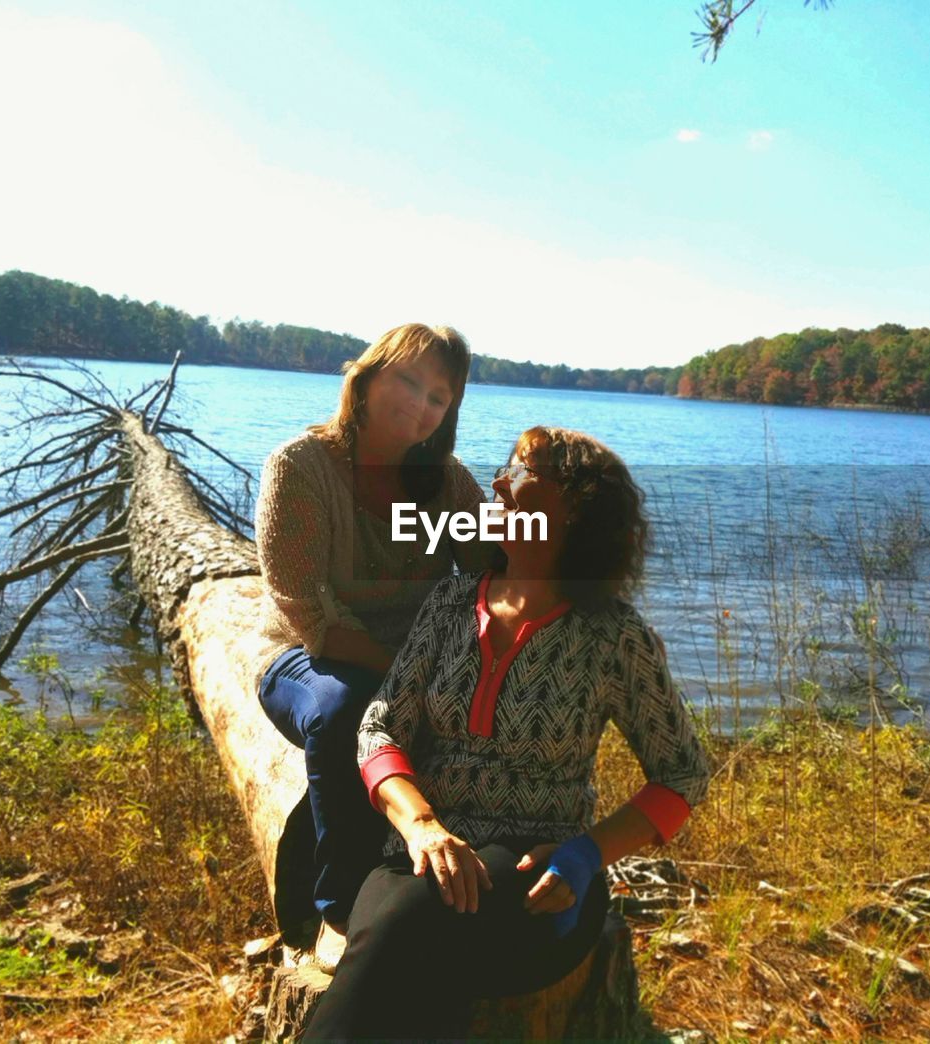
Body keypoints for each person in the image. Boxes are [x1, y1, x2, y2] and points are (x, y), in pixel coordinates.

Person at [301, 426, 712, 1041]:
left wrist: (585, 854)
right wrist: (421, 826)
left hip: (537, 876)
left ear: (574, 512)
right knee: (398, 929)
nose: (498, 484)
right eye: (505, 469)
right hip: (423, 852)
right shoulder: (451, 601)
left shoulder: (612, 635)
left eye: (522, 475)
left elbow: (684, 770)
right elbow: (380, 725)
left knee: (402, 930)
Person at [253, 323, 491, 937]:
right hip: (307, 659)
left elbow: (494, 569)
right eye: (408, 380)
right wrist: (411, 682)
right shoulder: (301, 468)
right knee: (347, 709)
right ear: (365, 378)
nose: (420, 402)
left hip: (406, 664)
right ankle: (340, 913)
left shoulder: (446, 480)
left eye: (439, 396)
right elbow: (312, 614)